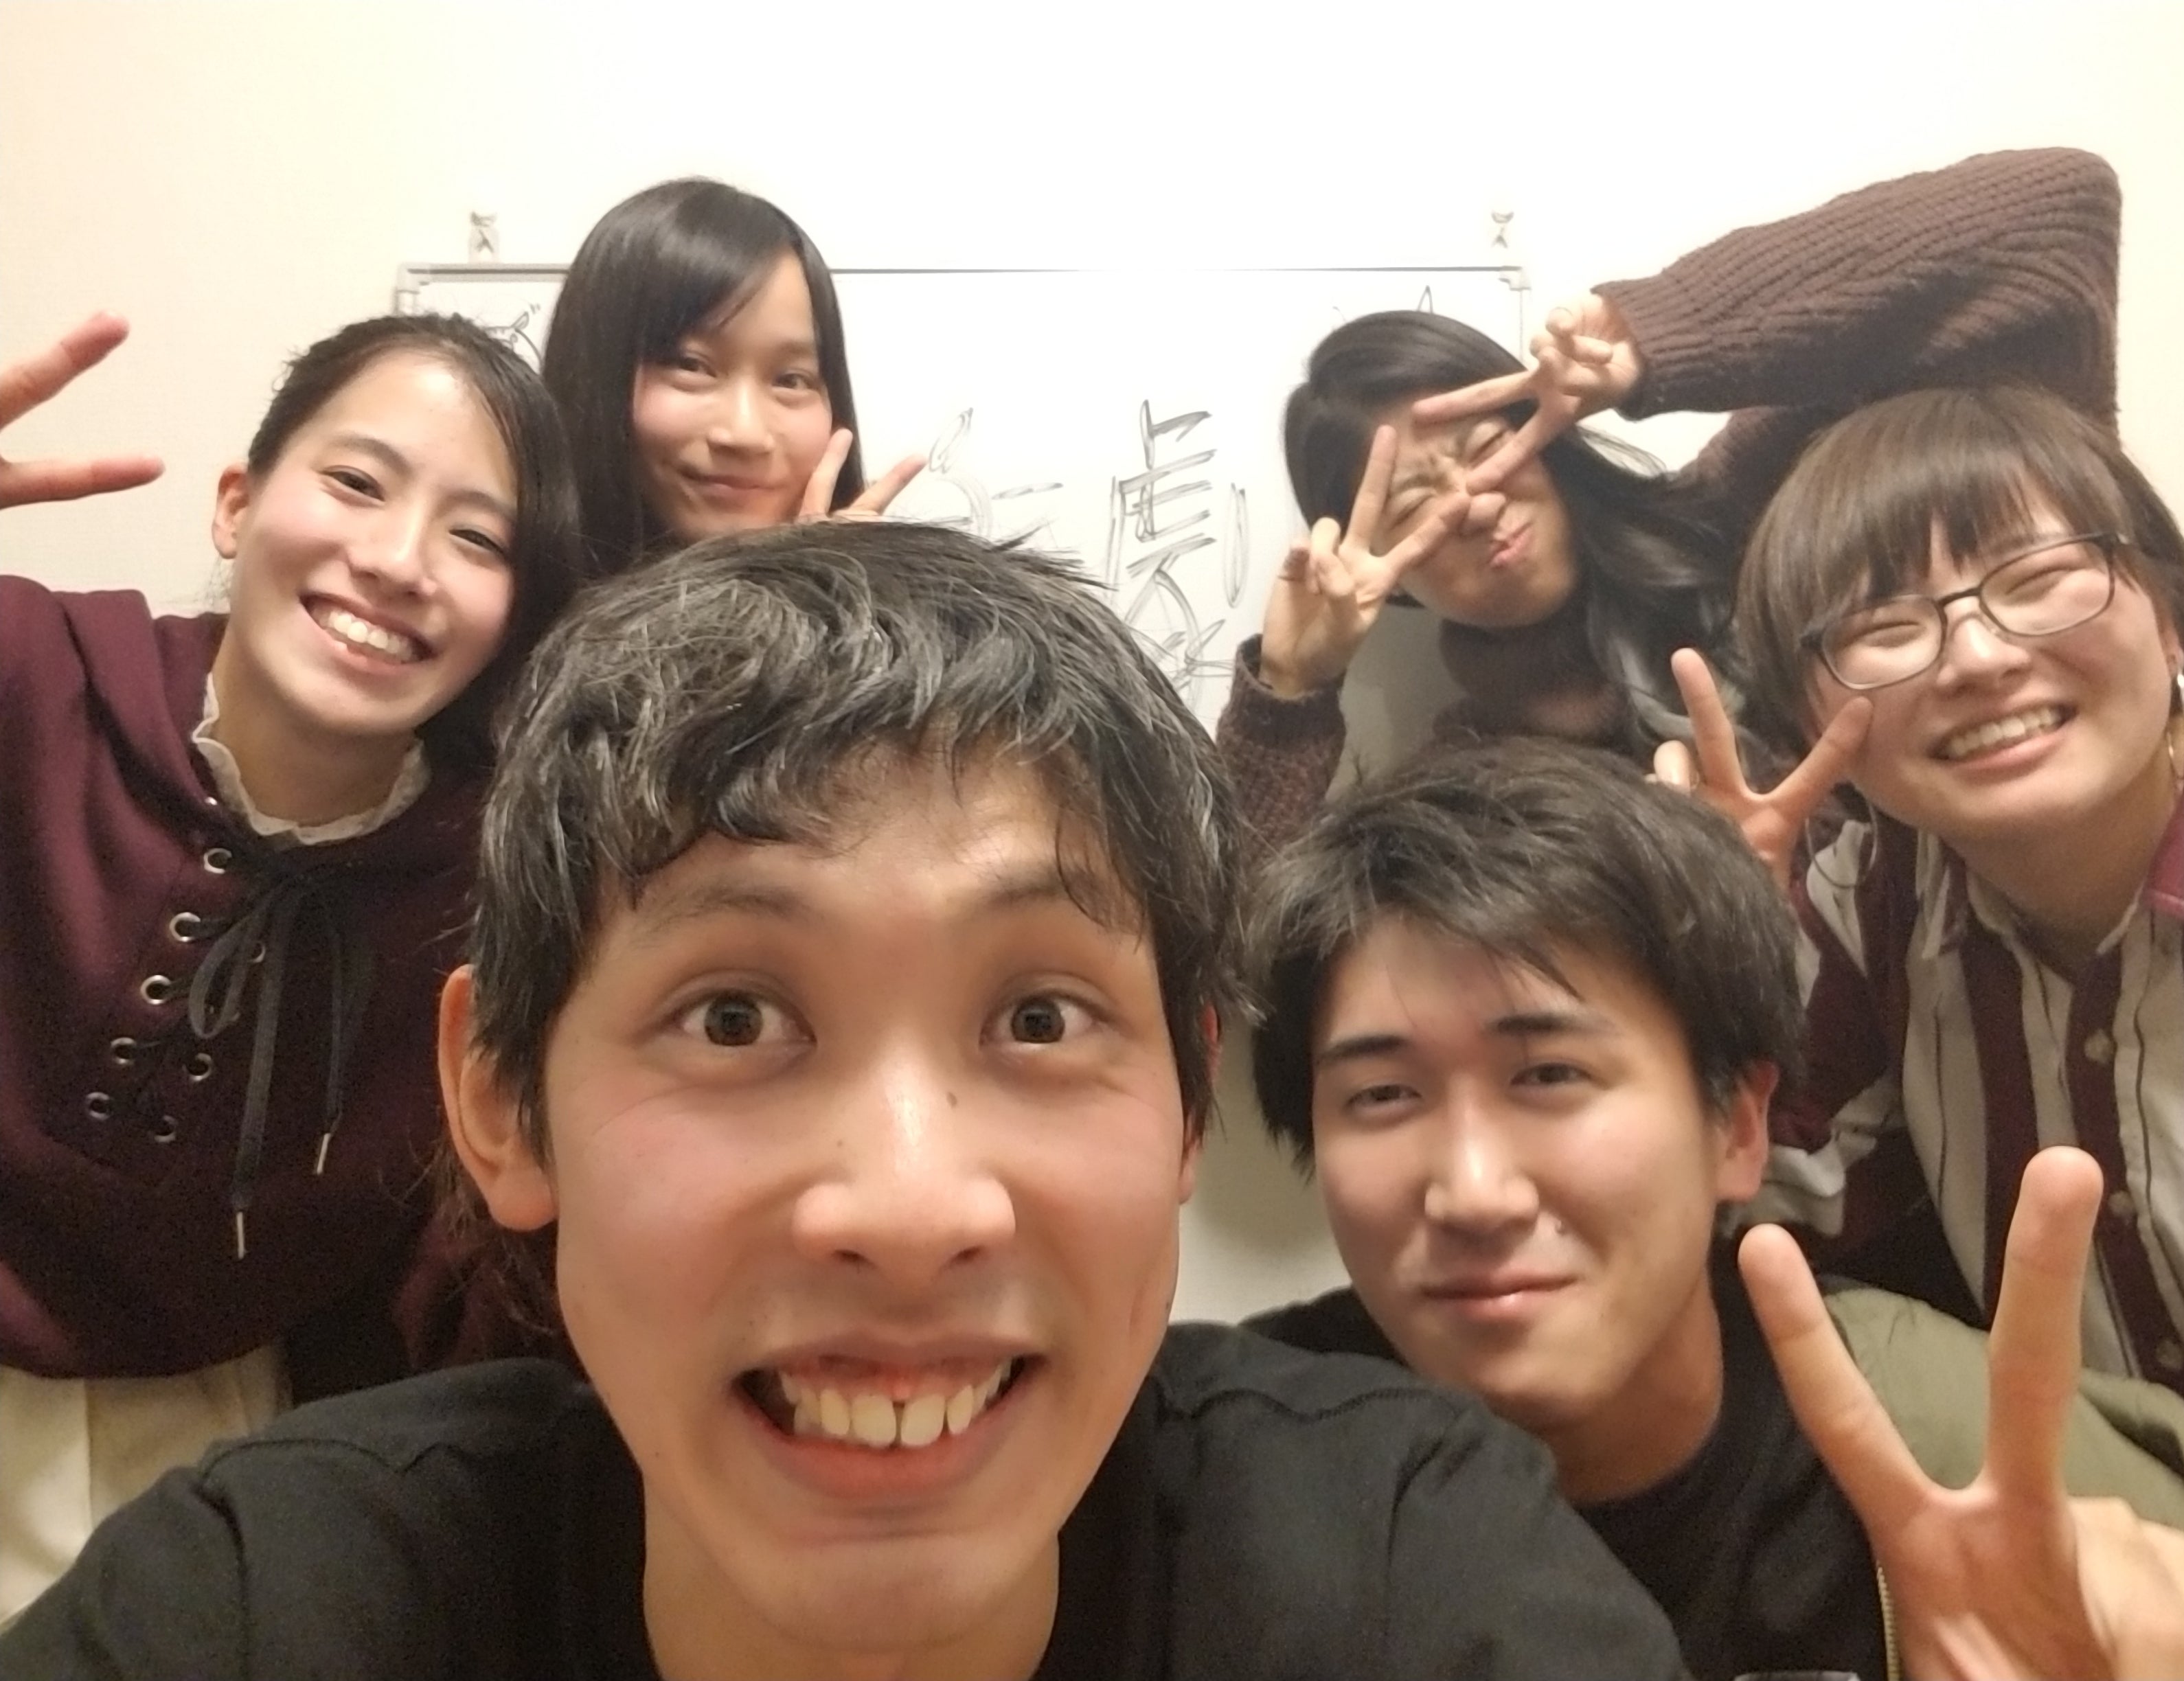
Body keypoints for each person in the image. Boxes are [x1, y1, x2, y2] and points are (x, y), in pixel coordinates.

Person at [0, 525, 1692, 1678]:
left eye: (1039, 1016)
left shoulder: (1417, 1576)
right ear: (501, 1098)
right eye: (734, 1016)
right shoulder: (262, 1608)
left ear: (1187, 1104)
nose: (907, 1205)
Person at [1243, 741, 2184, 1681]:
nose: (1473, 1193)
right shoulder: (1227, 1487)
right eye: (1383, 1095)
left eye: (1549, 1074)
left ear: (1737, 1125)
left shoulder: (2009, 1475)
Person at [0, 311, 583, 1623]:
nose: (397, 561)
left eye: (476, 538)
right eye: (358, 482)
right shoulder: (27, 671)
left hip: (216, 1464)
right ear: (237, 503)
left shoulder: (503, 893)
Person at [1646, 358, 2184, 1483]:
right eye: (1882, 624)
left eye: (2039, 576)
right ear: (1811, 720)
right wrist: (1710, 964)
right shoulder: (1870, 903)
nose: (1977, 656)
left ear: (2167, 621)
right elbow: (1751, 1226)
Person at [1216, 146, 2120, 857]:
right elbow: (1218, 958)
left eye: (1488, 447)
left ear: (1546, 431)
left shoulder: (1760, 505)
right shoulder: (1476, 794)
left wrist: (1655, 339)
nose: (1475, 504)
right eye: (1415, 504)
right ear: (1394, 583)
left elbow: (2055, 220)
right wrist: (1292, 692)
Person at [541, 177, 924, 577]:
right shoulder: (507, 603)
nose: (746, 434)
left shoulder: (885, 605)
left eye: (790, 380)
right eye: (691, 366)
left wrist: (841, 593)